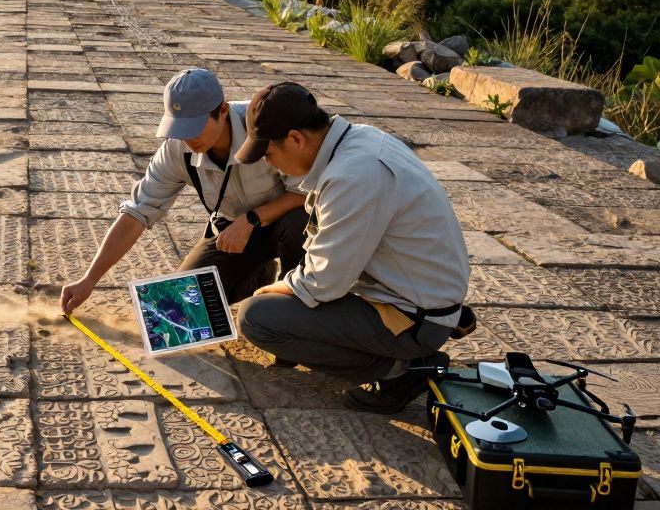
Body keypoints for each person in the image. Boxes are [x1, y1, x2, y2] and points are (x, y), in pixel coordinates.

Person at [234, 81, 472, 414]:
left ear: (296, 139)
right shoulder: (360, 139)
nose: (271, 165)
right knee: (286, 279)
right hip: (417, 292)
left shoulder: (354, 175)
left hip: (415, 317)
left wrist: (269, 290)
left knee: (257, 318)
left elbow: (322, 283)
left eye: (270, 154)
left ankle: (402, 372)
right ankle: (400, 356)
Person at [60, 67, 310, 314]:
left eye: (195, 126)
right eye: (179, 127)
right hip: (230, 234)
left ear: (222, 110)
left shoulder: (263, 124)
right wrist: (89, 279)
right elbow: (137, 213)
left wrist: (251, 220)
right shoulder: (176, 149)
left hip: (284, 224)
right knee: (177, 310)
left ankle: (293, 312)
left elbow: (306, 191)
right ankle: (256, 274)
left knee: (298, 223)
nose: (188, 138)